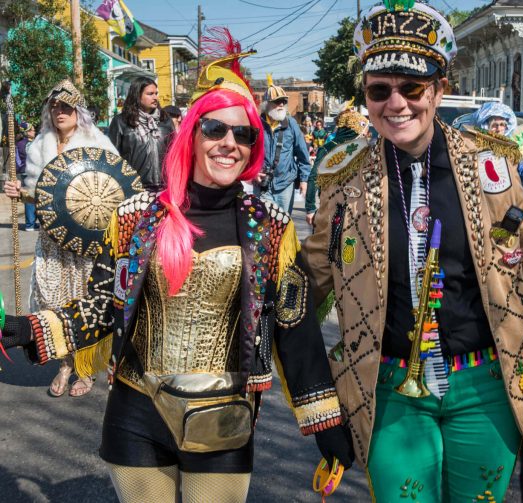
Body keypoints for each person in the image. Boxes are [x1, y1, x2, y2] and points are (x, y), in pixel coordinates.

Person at [301, 3, 523, 502]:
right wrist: (319, 406)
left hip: (487, 386)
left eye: (412, 88)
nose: (397, 104)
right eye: (380, 90)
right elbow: (304, 289)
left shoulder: (491, 167)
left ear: (438, 89)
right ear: (367, 98)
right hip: (388, 391)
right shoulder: (343, 177)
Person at [0, 32, 353, 503]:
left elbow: (294, 327)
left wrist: (324, 423)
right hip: (135, 411)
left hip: (224, 417)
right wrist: (26, 328)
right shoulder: (135, 217)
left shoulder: (270, 227)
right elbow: (104, 303)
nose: (230, 143)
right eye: (215, 130)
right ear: (191, 134)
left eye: (243, 133)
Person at [4, 79, 118, 397]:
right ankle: (64, 364)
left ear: (78, 111)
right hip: (52, 239)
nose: (59, 112)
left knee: (83, 302)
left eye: (66, 107)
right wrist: (21, 193)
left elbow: (112, 193)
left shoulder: (96, 143)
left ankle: (84, 368)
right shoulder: (41, 144)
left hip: (86, 241)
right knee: (52, 299)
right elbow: (40, 196)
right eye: (55, 107)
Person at [254, 75, 310, 214]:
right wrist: (252, 172)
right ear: (267, 103)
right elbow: (247, 153)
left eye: (283, 101)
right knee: (262, 226)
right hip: (261, 184)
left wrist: (304, 180)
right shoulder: (256, 124)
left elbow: (303, 154)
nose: (281, 105)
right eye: (277, 101)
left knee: (283, 225)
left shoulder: (291, 124)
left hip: (285, 184)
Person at [305, 104, 368, 226]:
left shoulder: (362, 150)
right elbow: (314, 178)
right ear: (353, 130)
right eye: (363, 131)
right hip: (331, 208)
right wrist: (310, 208)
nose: (365, 135)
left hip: (357, 210)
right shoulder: (328, 149)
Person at [108, 77, 174, 190]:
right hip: (134, 188)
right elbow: (112, 158)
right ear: (137, 96)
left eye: (156, 93)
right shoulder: (121, 122)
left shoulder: (165, 120)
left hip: (165, 188)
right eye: (150, 94)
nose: (155, 97)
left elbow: (175, 153)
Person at [15, 121, 37, 231]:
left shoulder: (19, 143)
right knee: (30, 197)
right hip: (31, 172)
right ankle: (30, 225)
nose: (35, 131)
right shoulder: (30, 144)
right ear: (27, 132)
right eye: (32, 130)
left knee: (30, 197)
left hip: (23, 171)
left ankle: (31, 222)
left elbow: (17, 160)